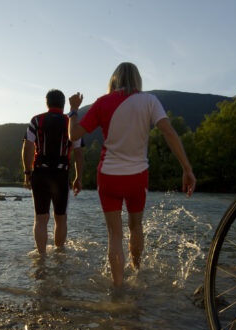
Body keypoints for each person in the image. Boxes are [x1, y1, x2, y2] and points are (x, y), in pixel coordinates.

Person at [68, 62, 195, 287]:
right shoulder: (150, 101)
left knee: (114, 235)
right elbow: (168, 132)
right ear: (137, 79)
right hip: (137, 177)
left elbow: (73, 135)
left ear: (114, 79)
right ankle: (137, 273)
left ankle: (118, 289)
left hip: (108, 177)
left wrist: (74, 110)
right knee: (136, 227)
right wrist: (187, 168)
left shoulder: (102, 103)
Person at [22, 89, 84, 255]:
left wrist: (27, 172)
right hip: (61, 175)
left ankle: (41, 257)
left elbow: (28, 147)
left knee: (41, 218)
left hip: (40, 174)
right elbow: (79, 153)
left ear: (47, 102)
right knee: (60, 217)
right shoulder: (71, 124)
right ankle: (59, 255)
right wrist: (78, 177)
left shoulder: (36, 120)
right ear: (64, 105)